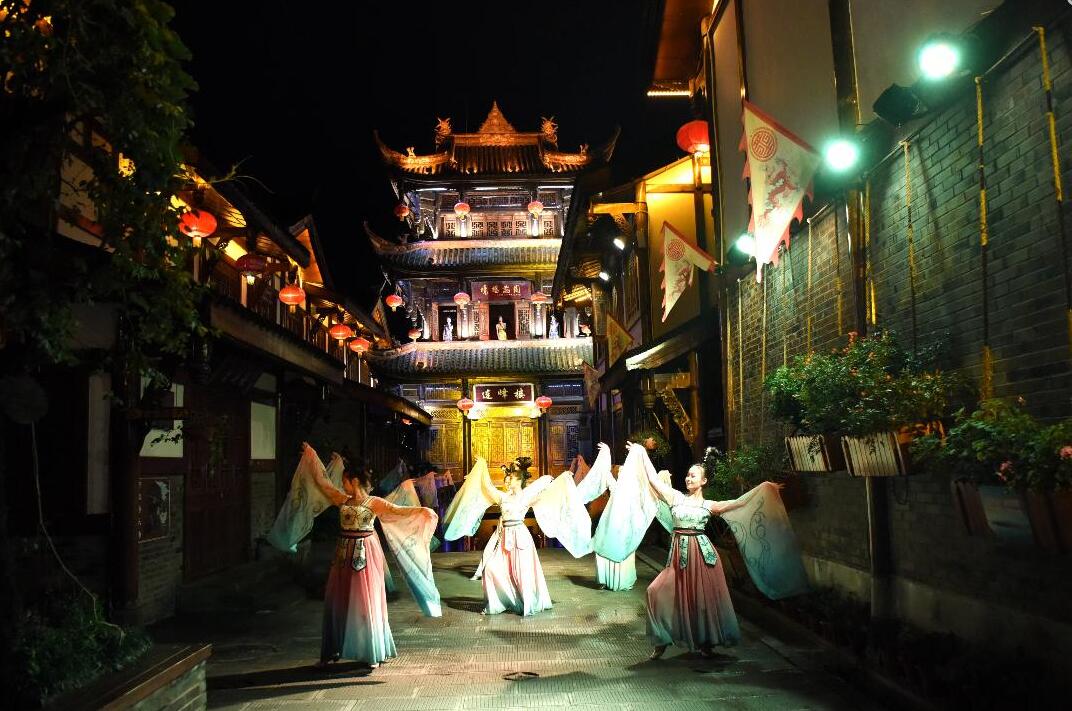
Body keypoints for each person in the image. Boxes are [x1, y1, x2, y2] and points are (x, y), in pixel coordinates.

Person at [592, 443, 809, 661]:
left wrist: (764, 489)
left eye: (693, 476)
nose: (688, 478)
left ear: (703, 481)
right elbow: (653, 480)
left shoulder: (709, 505)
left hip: (703, 558)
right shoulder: (676, 497)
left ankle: (706, 643)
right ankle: (661, 640)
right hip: (679, 558)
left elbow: (738, 504)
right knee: (655, 592)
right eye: (687, 475)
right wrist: (641, 452)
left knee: (702, 602)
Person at [267, 444, 441, 669]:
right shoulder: (342, 499)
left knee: (365, 600)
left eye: (345, 481)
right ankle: (332, 650)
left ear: (355, 481)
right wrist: (311, 455)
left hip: (365, 552)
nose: (342, 485)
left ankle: (371, 652)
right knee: (338, 599)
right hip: (343, 554)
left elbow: (399, 511)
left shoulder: (374, 502)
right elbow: (322, 483)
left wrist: (422, 511)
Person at [444, 458, 592, 616]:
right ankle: (501, 601)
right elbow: (487, 487)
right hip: (504, 537)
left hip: (520, 537)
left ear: (520, 481)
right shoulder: (503, 497)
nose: (508, 481)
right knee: (491, 569)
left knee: (522, 571)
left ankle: (526, 602)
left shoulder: (525, 497)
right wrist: (481, 466)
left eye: (512, 478)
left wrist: (563, 479)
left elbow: (547, 492)